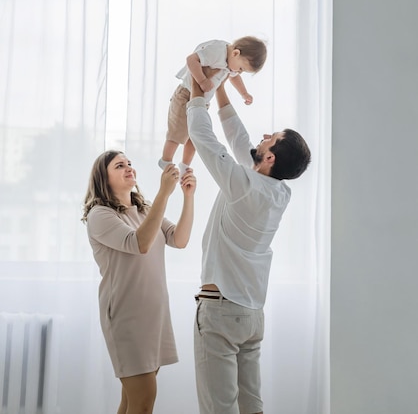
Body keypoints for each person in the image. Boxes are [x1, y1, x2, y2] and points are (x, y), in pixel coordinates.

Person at [187, 76, 311, 414]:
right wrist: (220, 87)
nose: (263, 137)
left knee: (219, 408)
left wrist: (198, 98)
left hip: (221, 311)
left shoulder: (243, 184)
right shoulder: (278, 192)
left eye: (271, 138)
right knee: (251, 407)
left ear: (270, 157)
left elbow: (204, 139)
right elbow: (240, 141)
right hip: (251, 314)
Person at [81, 150, 196, 414]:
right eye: (119, 165)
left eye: (130, 163)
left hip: (153, 314)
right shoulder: (100, 215)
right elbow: (140, 243)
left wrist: (188, 198)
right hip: (126, 316)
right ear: (103, 178)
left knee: (132, 402)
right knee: (143, 401)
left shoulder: (144, 210)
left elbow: (179, 239)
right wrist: (164, 193)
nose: (129, 167)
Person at [159, 36, 267, 177]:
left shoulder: (231, 63)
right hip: (186, 94)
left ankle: (185, 165)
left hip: (202, 102)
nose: (239, 72)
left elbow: (234, 77)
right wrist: (202, 80)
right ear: (235, 53)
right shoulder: (217, 51)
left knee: (196, 137)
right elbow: (191, 60)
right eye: (241, 68)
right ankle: (166, 160)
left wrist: (244, 93)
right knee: (177, 132)